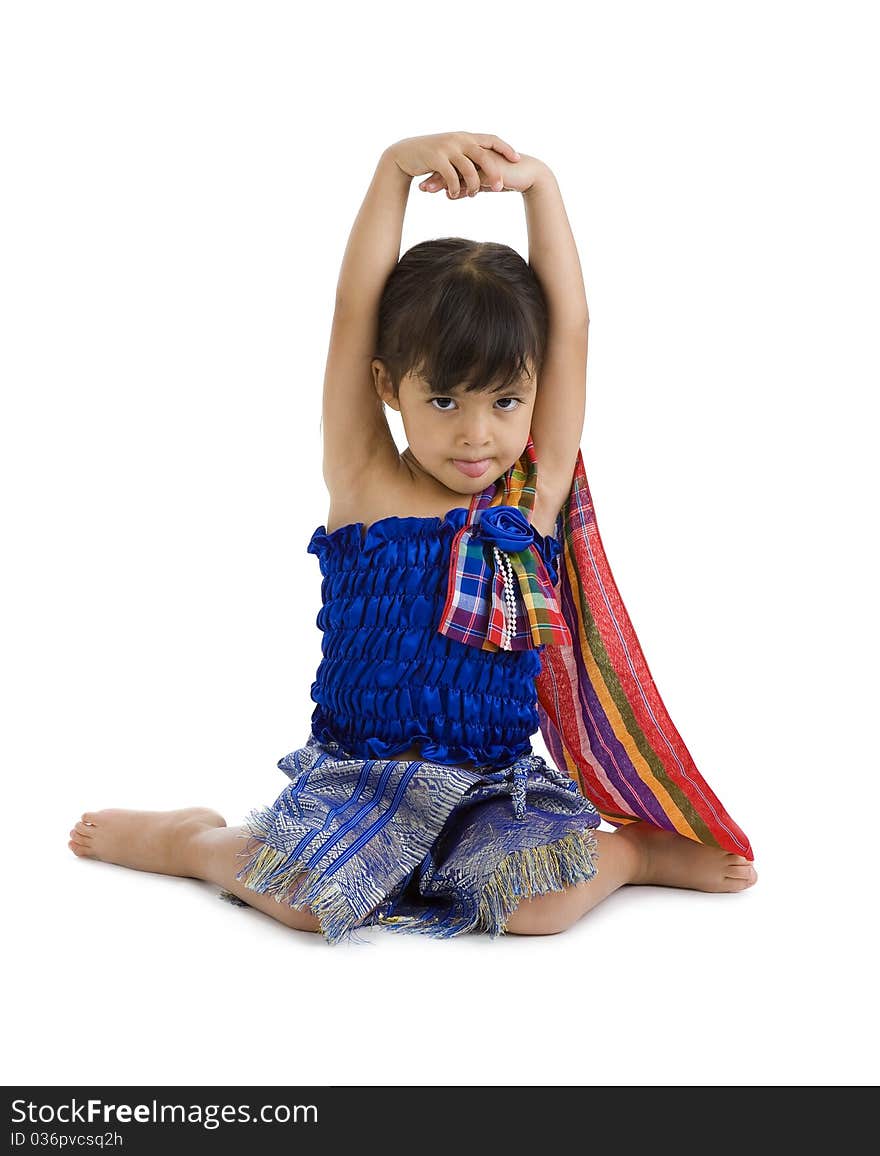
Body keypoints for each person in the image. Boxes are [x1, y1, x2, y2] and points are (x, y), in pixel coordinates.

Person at [67, 131, 757, 946]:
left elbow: (570, 324)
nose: (477, 436)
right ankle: (190, 838)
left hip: (491, 790)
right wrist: (393, 168)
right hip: (359, 777)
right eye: (444, 402)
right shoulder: (365, 480)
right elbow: (354, 311)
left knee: (538, 908)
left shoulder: (530, 499)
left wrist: (543, 188)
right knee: (303, 899)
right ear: (390, 385)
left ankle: (633, 856)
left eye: (505, 402)